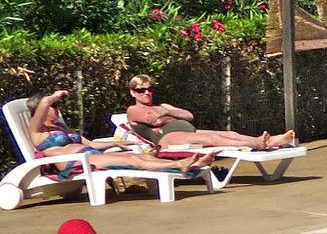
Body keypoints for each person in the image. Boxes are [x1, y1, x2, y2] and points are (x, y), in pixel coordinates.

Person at [24, 89, 207, 176]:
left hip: (89, 155)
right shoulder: (37, 132)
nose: (57, 108)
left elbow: (91, 144)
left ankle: (187, 165)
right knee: (133, 160)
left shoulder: (62, 128)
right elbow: (44, 103)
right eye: (54, 106)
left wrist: (116, 143)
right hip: (77, 163)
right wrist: (55, 96)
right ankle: (182, 165)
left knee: (142, 157)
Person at [123, 74, 294, 150]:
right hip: (166, 139)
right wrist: (167, 112)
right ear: (132, 92)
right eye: (140, 90)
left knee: (232, 133)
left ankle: (270, 141)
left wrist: (164, 112)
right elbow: (154, 121)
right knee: (214, 139)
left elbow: (189, 116)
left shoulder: (162, 106)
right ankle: (259, 144)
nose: (146, 93)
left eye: (149, 89)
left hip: (186, 131)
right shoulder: (133, 110)